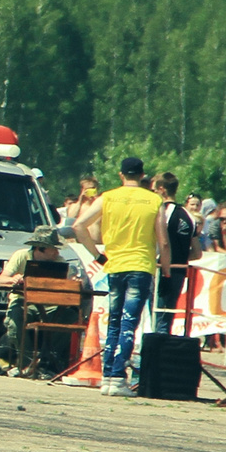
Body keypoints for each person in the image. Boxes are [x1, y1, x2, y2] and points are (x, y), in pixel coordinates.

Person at [79, 157, 167, 398]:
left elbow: (79, 226)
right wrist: (166, 269)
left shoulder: (107, 197)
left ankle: (108, 376)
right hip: (141, 266)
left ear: (121, 175)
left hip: (115, 265)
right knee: (129, 323)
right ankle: (118, 377)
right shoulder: (154, 200)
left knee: (115, 321)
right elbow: (164, 241)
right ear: (142, 175)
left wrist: (97, 256)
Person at [154, 171, 198, 323]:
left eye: (154, 190)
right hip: (179, 270)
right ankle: (162, 343)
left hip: (159, 269)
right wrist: (181, 256)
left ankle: (154, 346)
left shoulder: (160, 212)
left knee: (154, 314)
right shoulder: (189, 216)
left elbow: (161, 243)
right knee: (167, 316)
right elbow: (197, 253)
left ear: (162, 190)